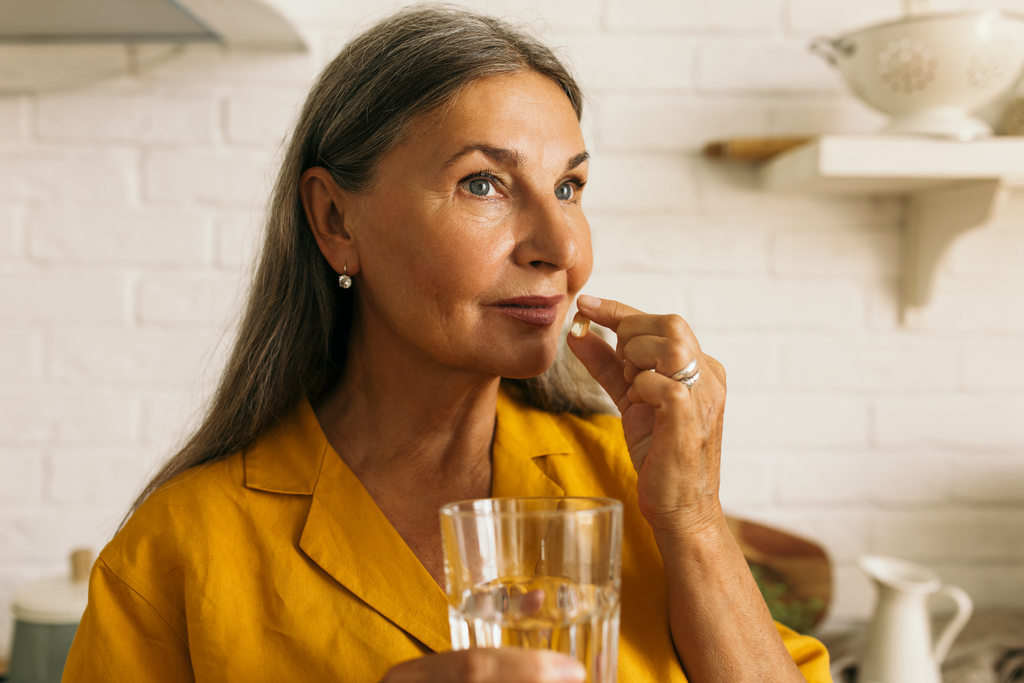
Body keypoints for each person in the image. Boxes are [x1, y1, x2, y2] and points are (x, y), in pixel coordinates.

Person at [63, 5, 831, 682]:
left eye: (569, 187)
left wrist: (695, 520)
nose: (560, 244)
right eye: (483, 184)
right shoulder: (179, 549)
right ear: (335, 221)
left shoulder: (634, 486)